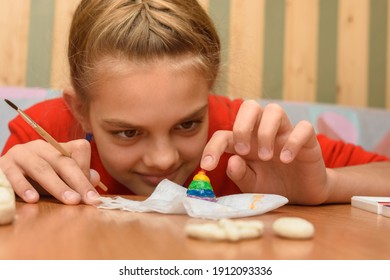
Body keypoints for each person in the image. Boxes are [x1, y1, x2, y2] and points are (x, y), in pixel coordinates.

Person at [1, 0, 389, 206]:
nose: (163, 159)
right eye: (128, 132)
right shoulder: (43, 132)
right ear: (80, 109)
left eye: (187, 124)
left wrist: (325, 186)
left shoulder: (245, 136)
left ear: (208, 93)